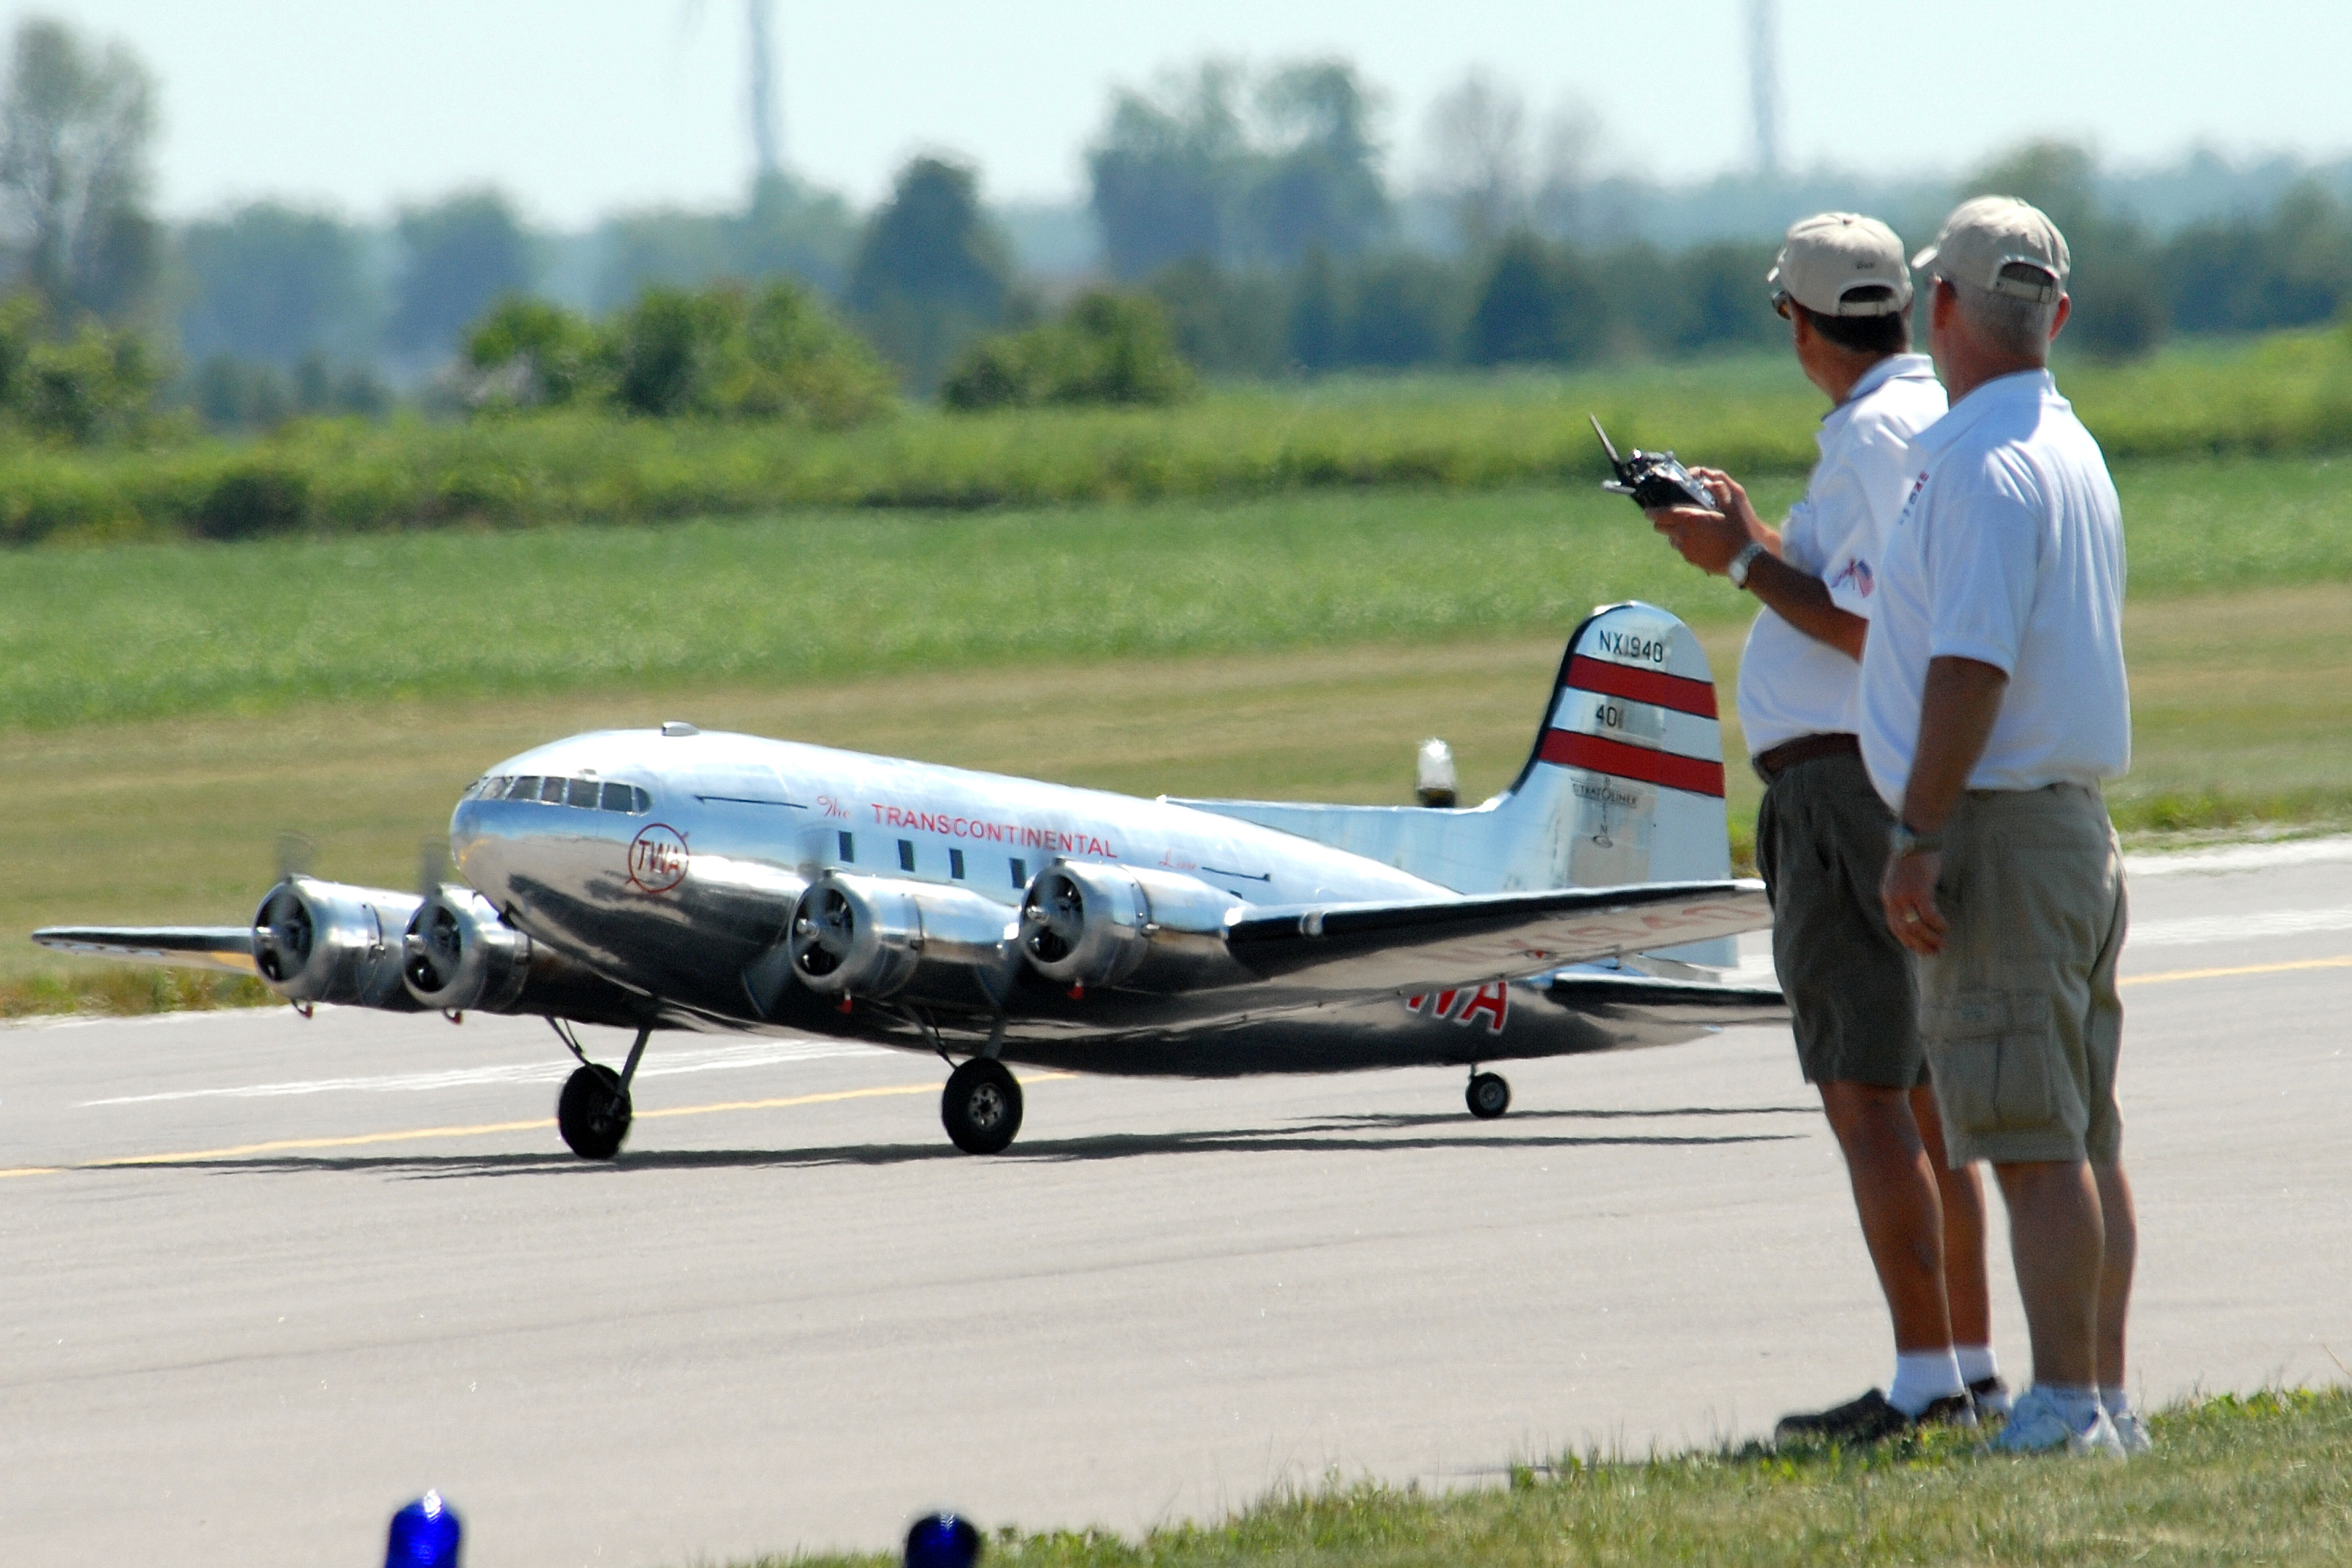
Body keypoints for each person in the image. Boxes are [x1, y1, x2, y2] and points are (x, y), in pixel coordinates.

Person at [1646, 211, 2004, 1445]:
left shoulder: (1868, 437)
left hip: (1838, 794)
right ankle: (1965, 1368)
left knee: (1868, 1095)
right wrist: (1771, 539)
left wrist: (1743, 560)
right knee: (1921, 1101)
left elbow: (1869, 628)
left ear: (1801, 327)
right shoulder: (1916, 423)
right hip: (1886, 782)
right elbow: (1877, 587)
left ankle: (1927, 1380)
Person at [1862, 195, 2142, 1457]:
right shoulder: (2068, 445)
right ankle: (2103, 1396)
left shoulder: (1978, 461)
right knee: (2080, 1132)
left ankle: (2064, 1403)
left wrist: (1919, 834)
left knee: (2030, 1138)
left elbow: (1967, 666)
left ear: (1944, 309)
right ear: (2058, 316)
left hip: (2005, 829)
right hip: (2073, 823)